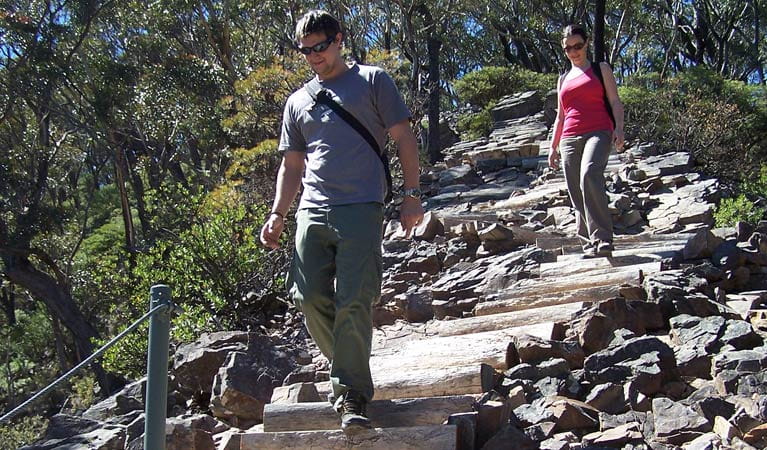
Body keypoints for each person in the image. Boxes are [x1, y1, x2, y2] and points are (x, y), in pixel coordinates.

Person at [259, 10, 424, 432]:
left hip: (361, 206)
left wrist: (411, 195)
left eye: (320, 46)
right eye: (305, 50)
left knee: (355, 299)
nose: (313, 56)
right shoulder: (298, 101)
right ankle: (350, 369)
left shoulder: (373, 81)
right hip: (311, 211)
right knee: (306, 295)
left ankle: (351, 394)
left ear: (339, 40)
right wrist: (278, 213)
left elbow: (404, 137)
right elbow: (292, 165)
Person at [548, 24, 625, 258]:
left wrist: (619, 128)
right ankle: (588, 242)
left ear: (587, 43)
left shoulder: (600, 69)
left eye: (578, 45)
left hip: (598, 131)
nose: (573, 51)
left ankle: (602, 238)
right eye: (568, 48)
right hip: (569, 137)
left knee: (589, 174)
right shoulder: (562, 79)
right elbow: (560, 116)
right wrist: (553, 146)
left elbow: (615, 102)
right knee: (575, 189)